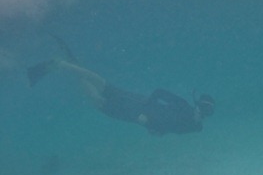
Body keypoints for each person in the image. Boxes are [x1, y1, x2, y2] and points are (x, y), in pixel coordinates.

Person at [27, 42, 214, 135]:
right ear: (197, 105)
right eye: (202, 109)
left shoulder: (191, 125)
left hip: (134, 109)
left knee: (101, 90)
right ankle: (64, 65)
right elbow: (159, 93)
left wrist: (148, 123)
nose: (202, 114)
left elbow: (163, 128)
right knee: (100, 97)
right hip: (134, 107)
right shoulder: (183, 107)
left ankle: (65, 65)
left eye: (206, 112)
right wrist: (145, 114)